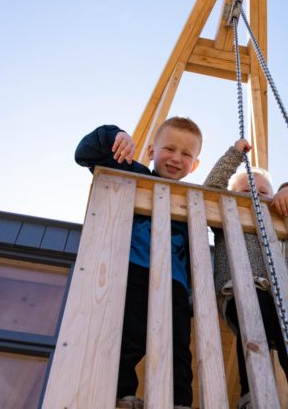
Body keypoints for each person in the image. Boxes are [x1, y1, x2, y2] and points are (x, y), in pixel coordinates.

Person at [75, 117, 202, 409]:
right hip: (134, 269)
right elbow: (84, 154)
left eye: (186, 154)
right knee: (129, 333)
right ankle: (120, 393)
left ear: (194, 165)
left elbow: (194, 255)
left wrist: (194, 294)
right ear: (150, 151)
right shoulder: (135, 172)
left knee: (177, 346)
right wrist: (114, 136)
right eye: (169, 148)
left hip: (176, 284)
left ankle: (178, 401)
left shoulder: (192, 201)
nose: (176, 158)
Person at [204, 138, 288, 409]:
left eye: (264, 190)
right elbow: (211, 188)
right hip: (244, 288)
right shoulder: (227, 213)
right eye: (247, 189)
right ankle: (254, 397)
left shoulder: (284, 215)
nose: (256, 194)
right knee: (253, 332)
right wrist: (234, 155)